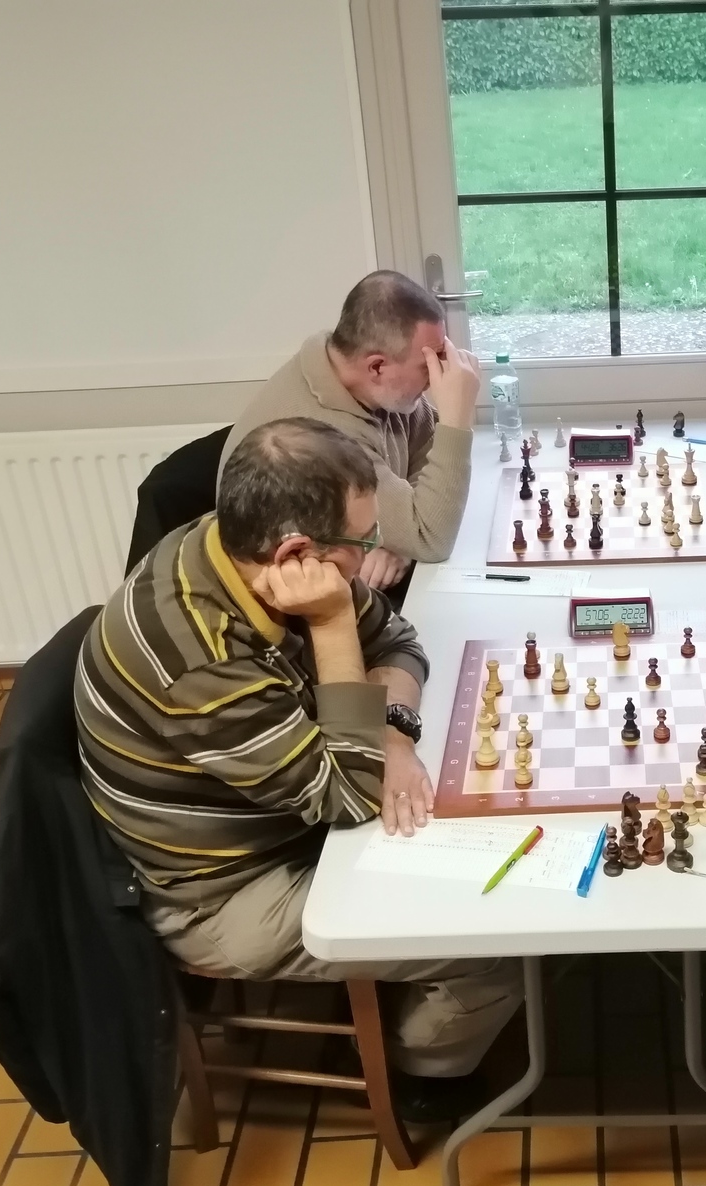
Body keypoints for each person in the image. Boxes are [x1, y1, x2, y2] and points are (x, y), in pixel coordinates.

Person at [79, 417, 520, 1119]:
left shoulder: (237, 548)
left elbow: (399, 642)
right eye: (363, 544)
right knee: (498, 938)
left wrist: (393, 735)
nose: (371, 557)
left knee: (470, 835)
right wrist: (335, 625)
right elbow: (349, 794)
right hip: (222, 891)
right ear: (296, 551)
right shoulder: (198, 658)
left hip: (286, 815)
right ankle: (419, 1075)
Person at [221, 270, 483, 593]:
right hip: (300, 603)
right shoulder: (321, 440)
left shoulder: (370, 381)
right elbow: (432, 537)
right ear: (376, 366)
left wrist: (394, 540)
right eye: (425, 365)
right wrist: (457, 419)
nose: (435, 376)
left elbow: (428, 450)